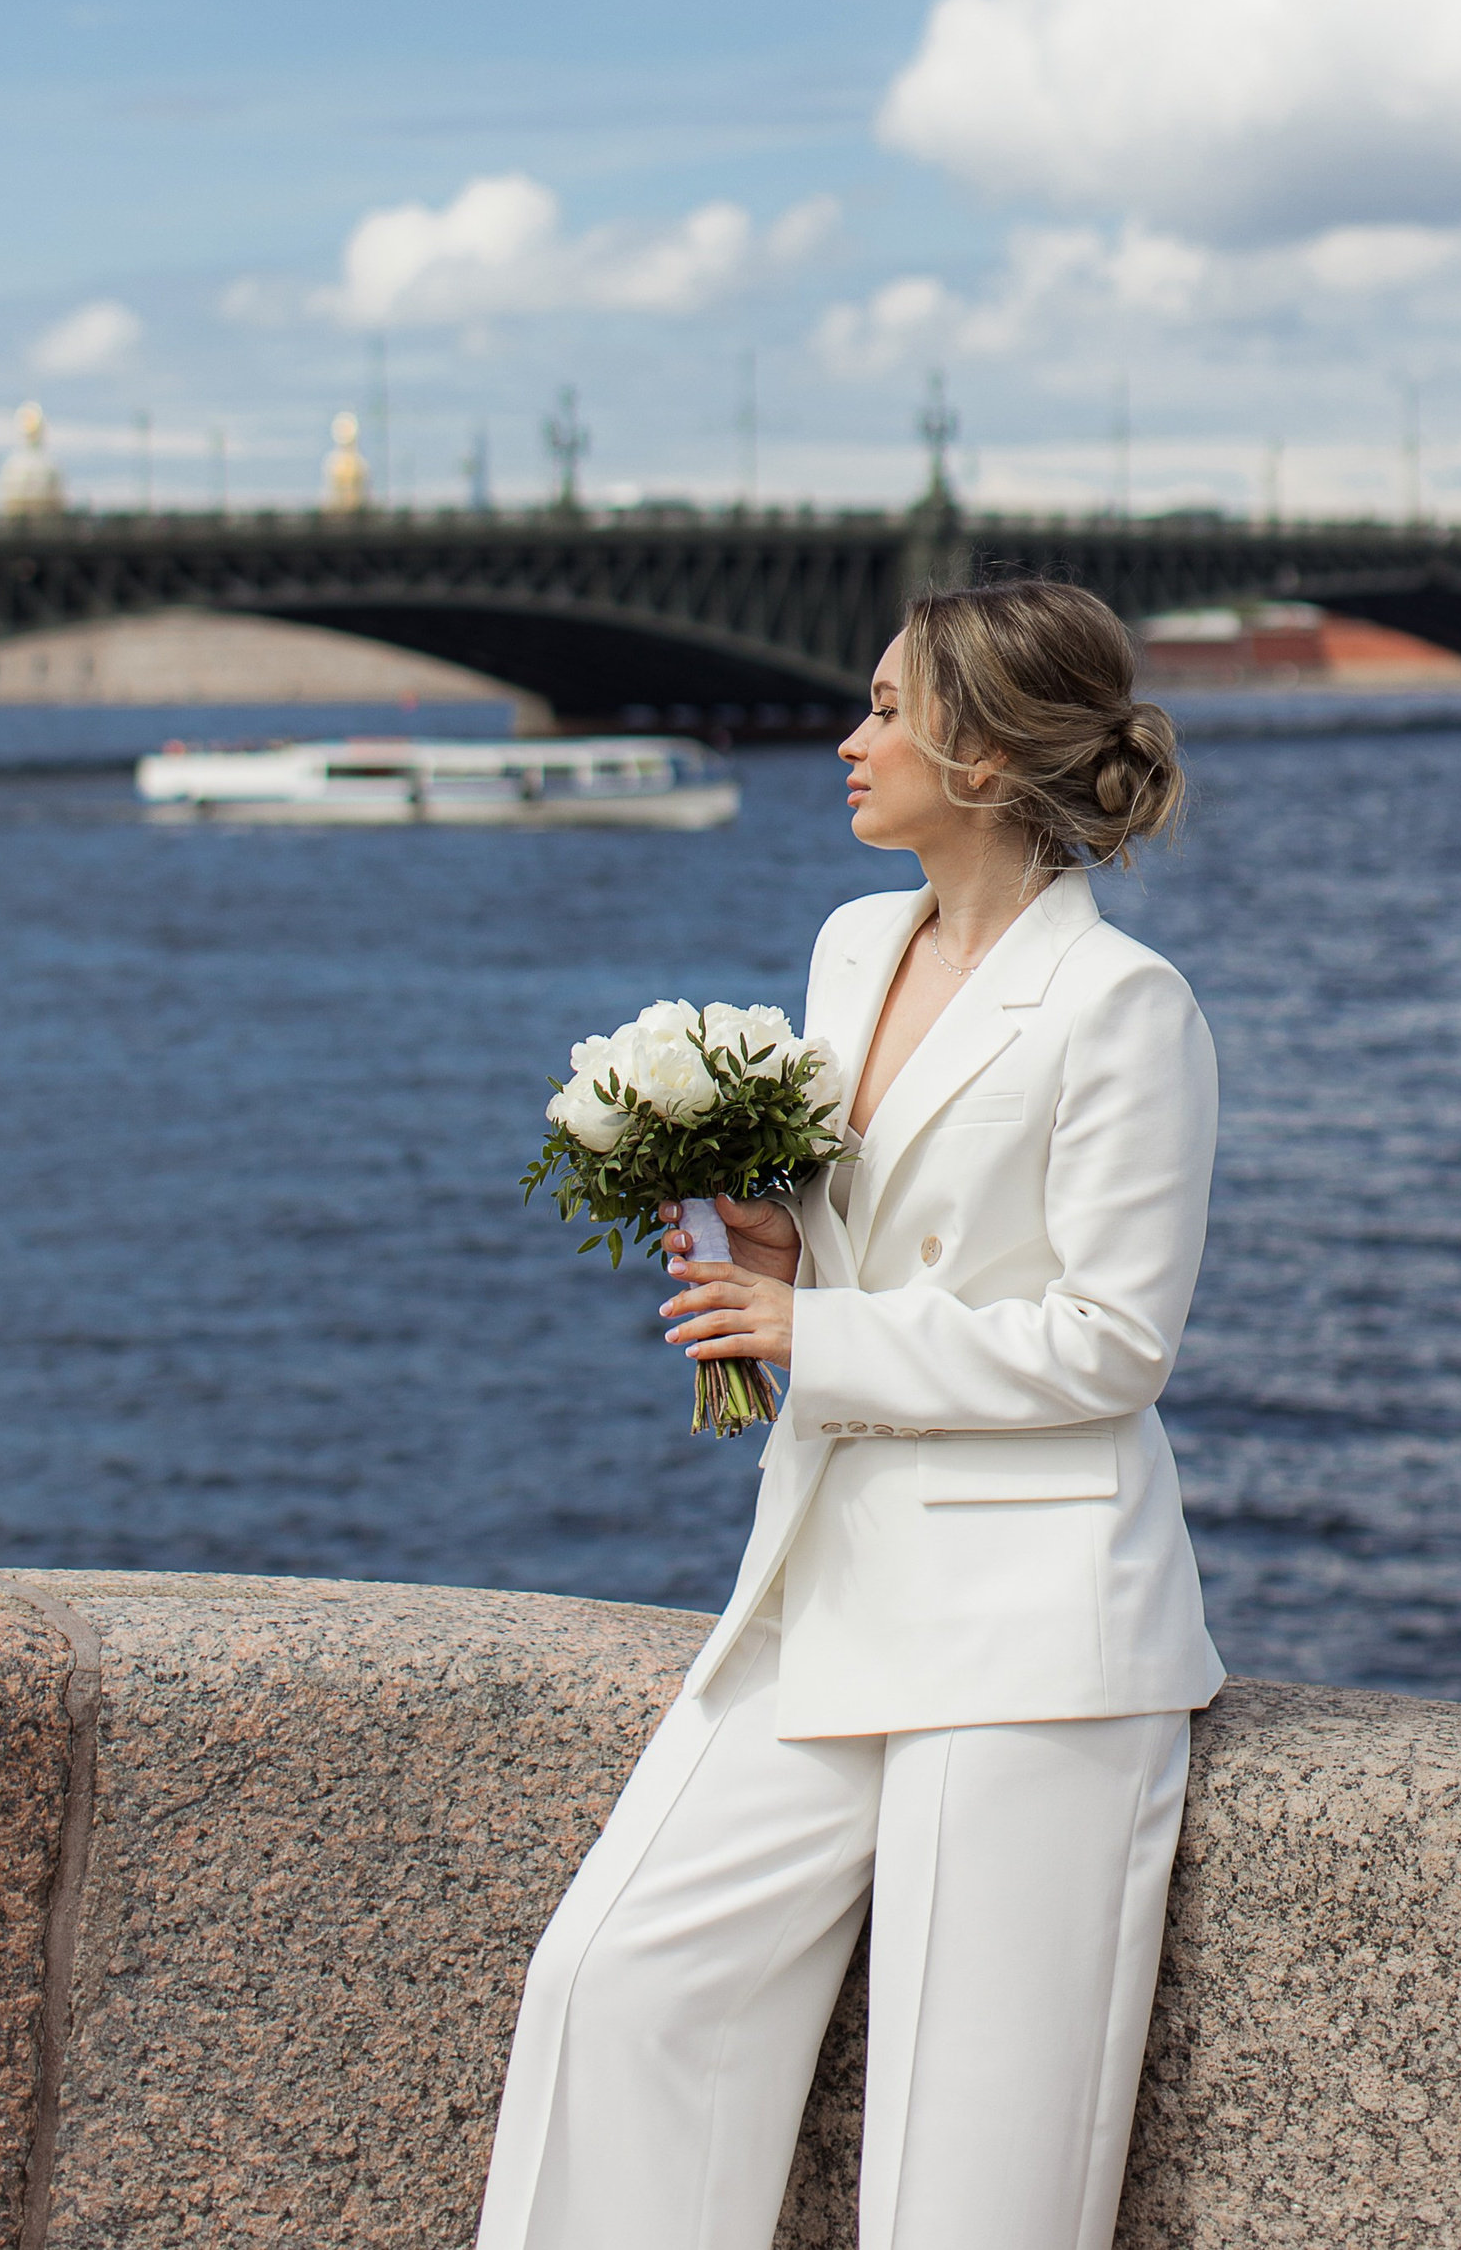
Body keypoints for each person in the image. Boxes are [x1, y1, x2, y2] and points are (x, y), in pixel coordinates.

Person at [476, 576, 1222, 2250]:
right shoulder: (854, 942)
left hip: (1034, 1639)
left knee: (970, 2184)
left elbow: (1112, 1340)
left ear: (979, 755)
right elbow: (877, 1229)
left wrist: (815, 1326)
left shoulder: (1124, 1009)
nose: (847, 735)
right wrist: (777, 1243)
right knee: (613, 1982)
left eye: (887, 707)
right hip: (828, 1583)